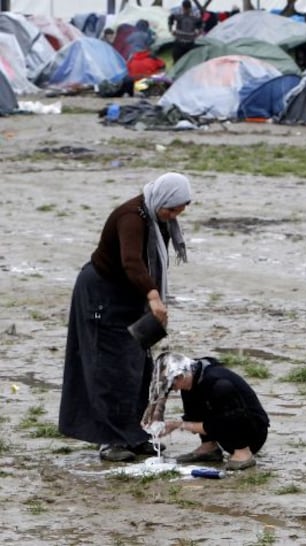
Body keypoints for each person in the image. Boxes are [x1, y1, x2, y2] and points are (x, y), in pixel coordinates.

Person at [58, 173, 192, 462]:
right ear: (161, 199)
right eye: (171, 210)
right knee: (109, 368)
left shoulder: (158, 219)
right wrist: (154, 296)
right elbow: (131, 261)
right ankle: (110, 439)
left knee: (137, 366)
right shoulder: (130, 217)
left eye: (179, 211)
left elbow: (150, 263)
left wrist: (149, 298)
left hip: (131, 296)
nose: (173, 216)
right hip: (102, 296)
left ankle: (136, 434)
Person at [143, 352, 270, 471]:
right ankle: (209, 447)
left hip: (253, 433)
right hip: (224, 422)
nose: (174, 390)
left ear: (180, 376)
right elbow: (194, 413)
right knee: (189, 390)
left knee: (223, 398)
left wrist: (178, 424)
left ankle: (243, 453)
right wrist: (156, 416)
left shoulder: (217, 383)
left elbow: (223, 423)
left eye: (172, 385)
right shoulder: (193, 372)